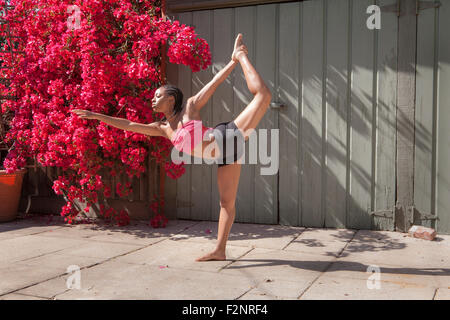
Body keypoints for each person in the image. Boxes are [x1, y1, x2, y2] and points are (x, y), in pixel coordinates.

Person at [72, 33, 272, 261]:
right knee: (226, 203)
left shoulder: (190, 108)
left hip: (226, 137)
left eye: (158, 96)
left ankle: (241, 55)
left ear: (171, 100)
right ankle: (220, 250)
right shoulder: (162, 128)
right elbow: (129, 124)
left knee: (263, 96)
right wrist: (97, 116)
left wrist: (234, 62)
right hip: (226, 155)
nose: (153, 100)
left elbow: (214, 82)